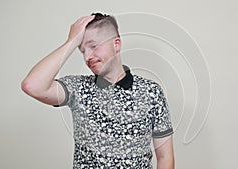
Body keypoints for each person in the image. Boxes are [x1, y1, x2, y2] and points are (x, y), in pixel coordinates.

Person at [21, 12, 175, 168]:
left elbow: (165, 158)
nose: (87, 56)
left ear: (116, 44)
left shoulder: (151, 92)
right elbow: (32, 86)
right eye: (82, 50)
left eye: (93, 46)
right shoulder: (78, 88)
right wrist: (71, 41)